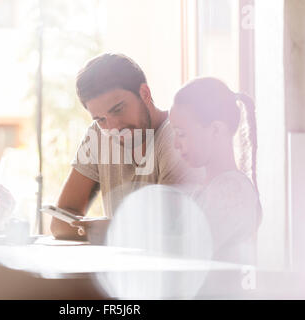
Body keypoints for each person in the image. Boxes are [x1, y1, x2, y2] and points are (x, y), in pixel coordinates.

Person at [51, 53, 200, 241]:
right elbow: (58, 223)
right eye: (101, 119)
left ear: (145, 94)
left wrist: (107, 229)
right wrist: (110, 230)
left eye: (118, 109)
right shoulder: (98, 135)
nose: (114, 128)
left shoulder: (178, 139)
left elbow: (166, 231)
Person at [169, 77, 262, 265]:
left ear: (216, 130)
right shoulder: (205, 188)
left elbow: (189, 252)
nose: (175, 144)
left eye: (182, 134)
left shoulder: (232, 190)